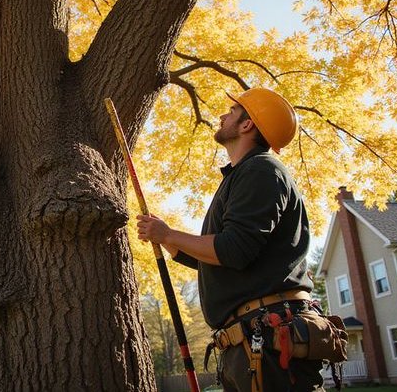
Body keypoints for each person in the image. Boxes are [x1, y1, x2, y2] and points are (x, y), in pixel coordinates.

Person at [137, 87, 327, 392]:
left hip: (269, 340)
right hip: (251, 339)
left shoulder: (262, 171)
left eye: (233, 110)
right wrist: (169, 240)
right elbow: (222, 259)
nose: (224, 114)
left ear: (247, 124)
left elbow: (233, 251)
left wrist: (168, 234)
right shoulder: (242, 176)